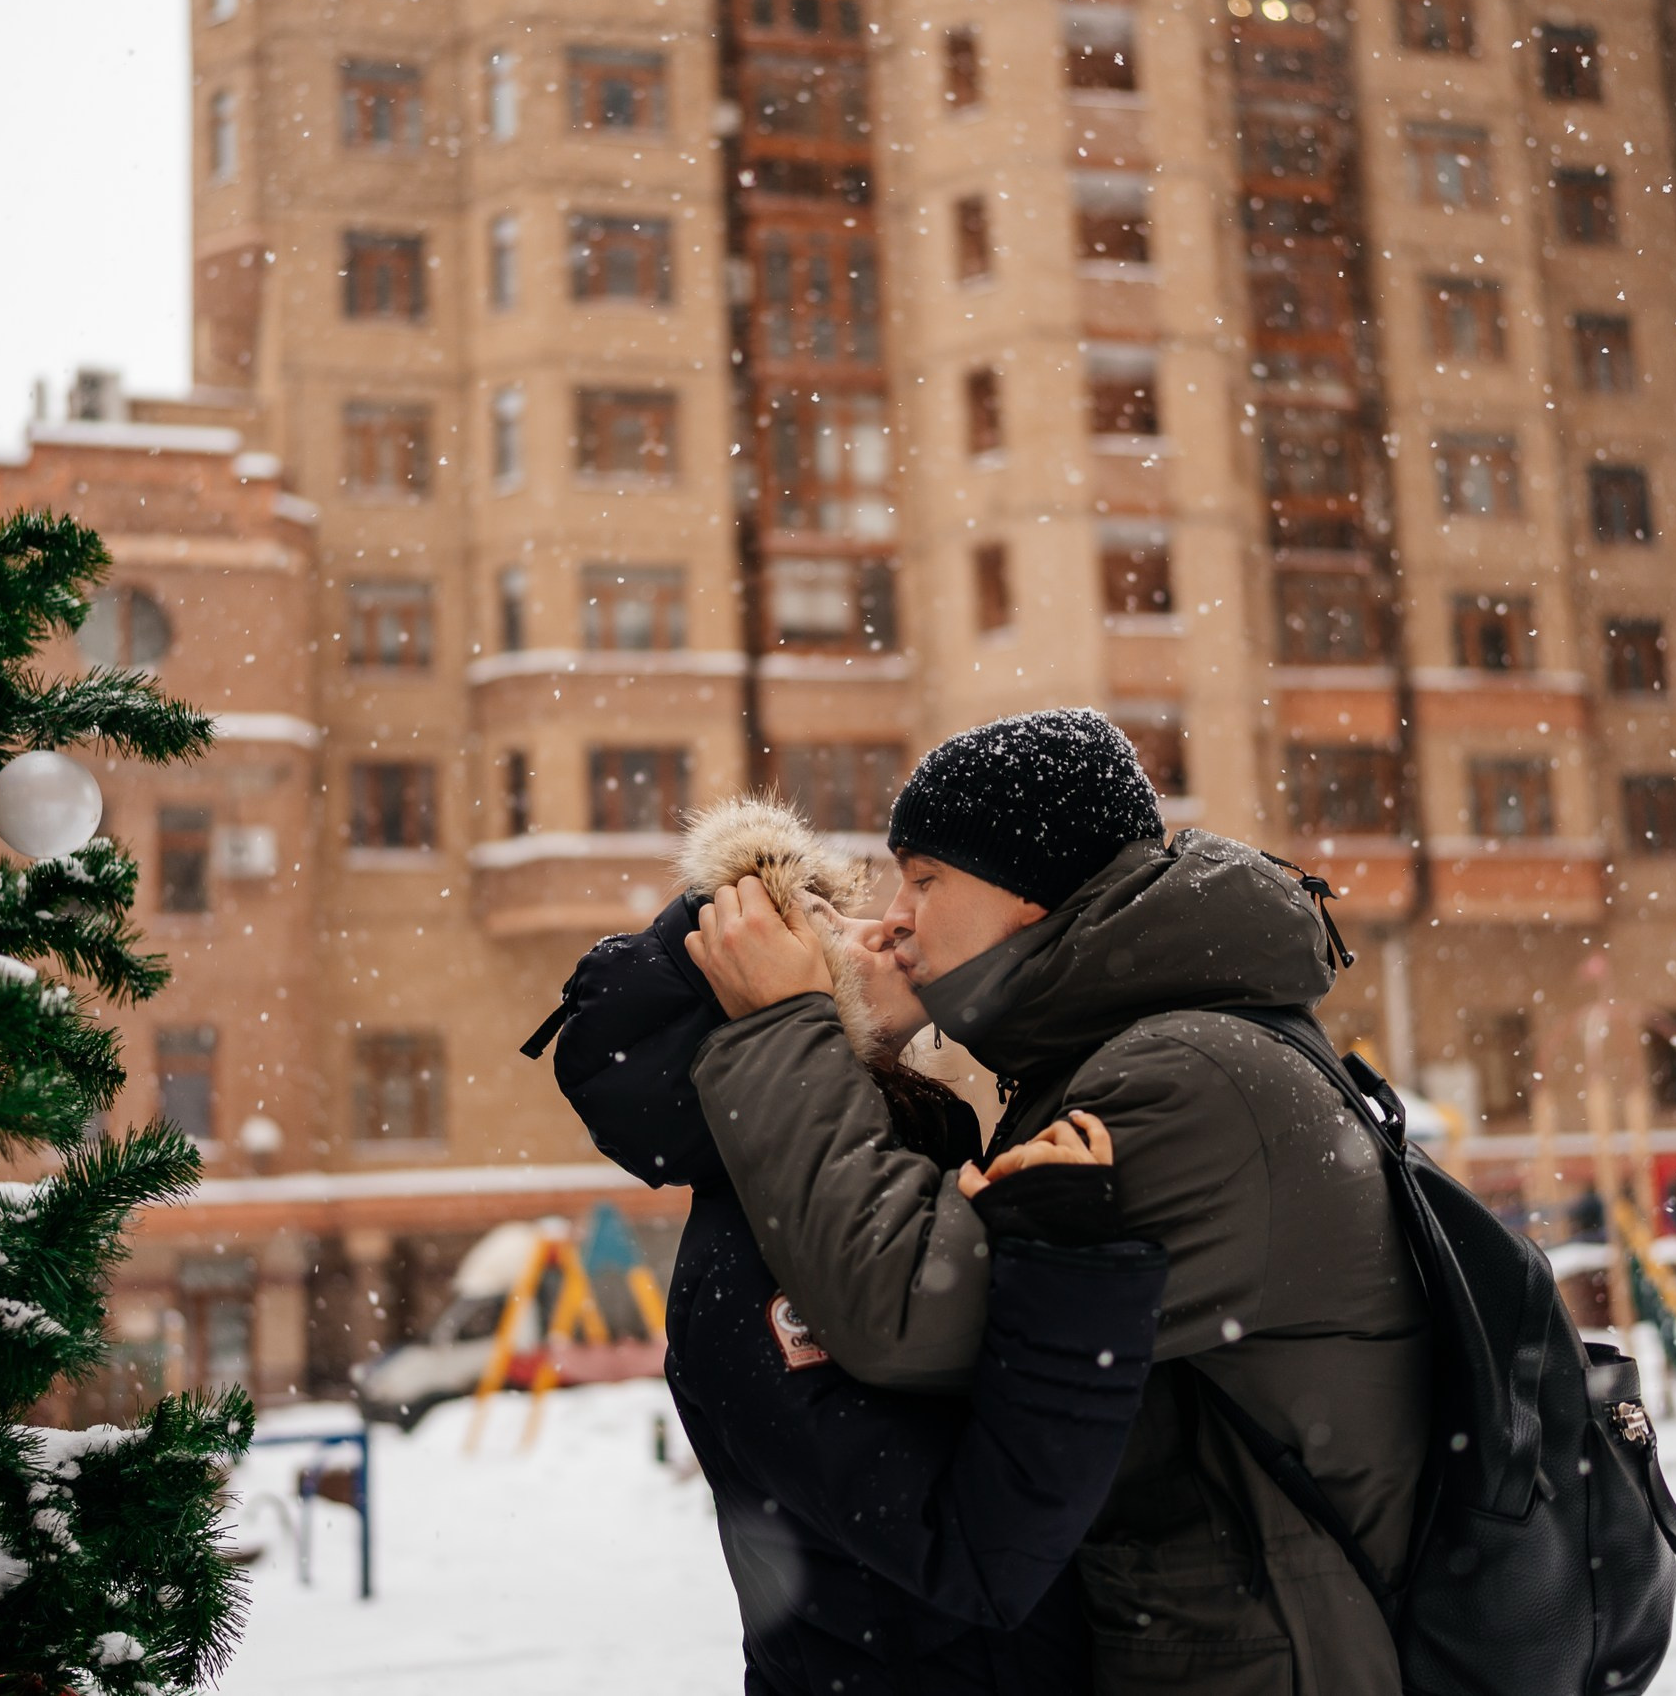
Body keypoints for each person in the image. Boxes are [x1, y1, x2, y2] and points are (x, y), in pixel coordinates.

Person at [686, 710, 1432, 1696]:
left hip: (1264, 1663)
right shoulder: (1112, 1053)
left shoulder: (1181, 1078)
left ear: (1027, 898)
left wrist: (786, 1027)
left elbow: (913, 1317)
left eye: (925, 877)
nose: (897, 914)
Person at [541, 798, 1169, 1696]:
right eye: (819, 932)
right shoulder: (745, 1264)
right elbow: (971, 1553)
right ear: (748, 1012)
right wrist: (1076, 1273)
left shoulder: (910, 1157)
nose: (882, 929)